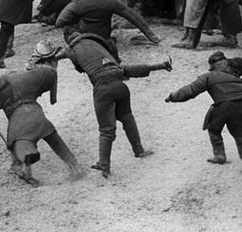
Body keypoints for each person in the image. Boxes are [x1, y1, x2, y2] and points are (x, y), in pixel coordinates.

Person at [0, 39, 85, 185]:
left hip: (18, 119)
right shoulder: (44, 75)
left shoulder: (5, 79)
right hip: (36, 113)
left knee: (20, 147)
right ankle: (74, 165)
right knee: (52, 137)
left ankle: (24, 169)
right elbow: (15, 97)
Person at [59, 31, 170, 176]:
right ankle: (139, 150)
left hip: (103, 89)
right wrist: (160, 66)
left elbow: (62, 58)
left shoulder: (72, 49)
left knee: (106, 130)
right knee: (127, 118)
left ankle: (104, 165)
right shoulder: (100, 47)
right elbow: (132, 70)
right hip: (120, 86)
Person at [165, 51, 242, 171]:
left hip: (223, 106)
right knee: (241, 134)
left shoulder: (209, 76)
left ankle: (219, 155)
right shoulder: (235, 76)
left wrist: (172, 97)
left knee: (214, 129)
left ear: (212, 65)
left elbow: (190, 90)